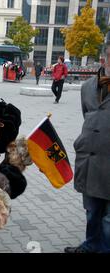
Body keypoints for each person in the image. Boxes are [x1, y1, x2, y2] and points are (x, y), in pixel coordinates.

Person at [65, 43, 110, 254]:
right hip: (91, 160)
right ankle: (91, 245)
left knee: (109, 219)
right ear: (104, 60)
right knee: (92, 211)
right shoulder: (87, 87)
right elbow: (89, 117)